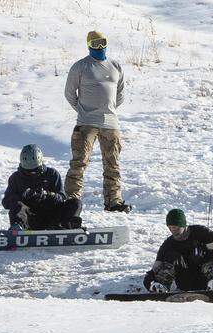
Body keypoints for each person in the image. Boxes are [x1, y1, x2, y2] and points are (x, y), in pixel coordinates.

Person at [64, 30, 131, 213]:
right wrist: (83, 110)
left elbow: (120, 94)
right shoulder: (80, 66)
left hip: (110, 123)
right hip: (86, 123)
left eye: (102, 42)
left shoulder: (115, 66)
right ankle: (71, 202)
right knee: (79, 162)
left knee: (112, 164)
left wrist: (108, 109)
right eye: (95, 44)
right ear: (88, 45)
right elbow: (70, 93)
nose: (99, 47)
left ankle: (114, 202)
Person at [143, 209, 213, 292]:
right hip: (185, 282)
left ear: (182, 225)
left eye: (175, 227)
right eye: (170, 227)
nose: (172, 230)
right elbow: (157, 265)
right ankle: (161, 288)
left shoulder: (200, 232)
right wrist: (150, 276)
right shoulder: (168, 244)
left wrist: (205, 247)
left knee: (211, 251)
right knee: (171, 256)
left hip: (206, 279)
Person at [1, 144, 83, 230]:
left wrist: (48, 195)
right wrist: (22, 197)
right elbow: (6, 202)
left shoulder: (52, 174)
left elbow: (62, 198)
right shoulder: (16, 178)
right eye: (28, 172)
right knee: (17, 205)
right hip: (29, 219)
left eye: (35, 170)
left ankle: (66, 228)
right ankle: (18, 230)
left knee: (75, 203)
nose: (32, 173)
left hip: (52, 217)